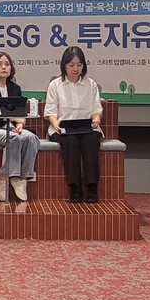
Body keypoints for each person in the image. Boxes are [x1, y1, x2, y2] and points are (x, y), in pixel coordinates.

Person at [0, 52, 40, 202]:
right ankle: (5, 178)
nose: (4, 67)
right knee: (13, 138)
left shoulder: (15, 88)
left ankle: (22, 179)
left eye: (7, 64)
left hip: (11, 127)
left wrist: (20, 124)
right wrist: (13, 120)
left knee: (31, 138)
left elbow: (20, 113)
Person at [44, 46, 103, 203]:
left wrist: (96, 119)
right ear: (64, 65)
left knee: (90, 141)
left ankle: (92, 187)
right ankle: (75, 188)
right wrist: (55, 124)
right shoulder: (55, 85)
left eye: (79, 65)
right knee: (70, 142)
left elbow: (96, 109)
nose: (75, 69)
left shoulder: (90, 84)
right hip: (63, 129)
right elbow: (50, 111)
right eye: (71, 65)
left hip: (87, 128)